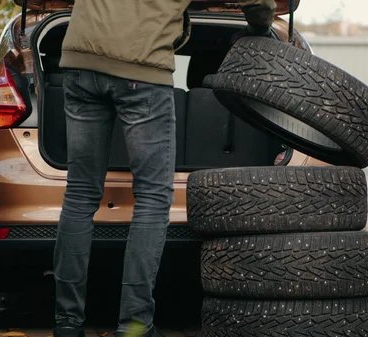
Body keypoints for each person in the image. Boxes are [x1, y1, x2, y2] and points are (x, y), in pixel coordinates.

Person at [51, 1, 277, 337]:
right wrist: (260, 25)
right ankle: (134, 325)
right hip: (141, 69)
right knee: (153, 199)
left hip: (79, 62)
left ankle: (67, 325)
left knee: (81, 193)